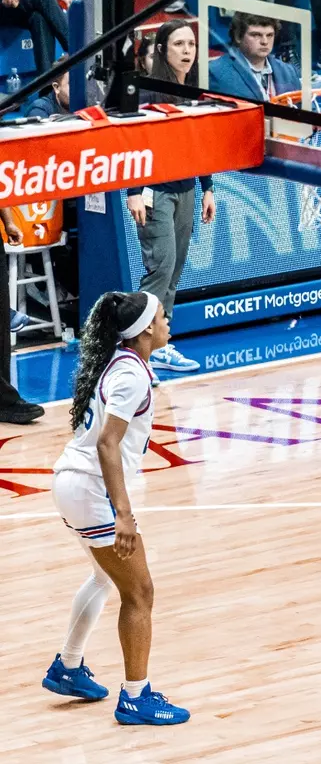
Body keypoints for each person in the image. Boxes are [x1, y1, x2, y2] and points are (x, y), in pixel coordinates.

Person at [39, 291, 191, 724]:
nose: (167, 320)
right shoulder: (132, 376)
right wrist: (123, 512)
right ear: (145, 329)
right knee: (139, 592)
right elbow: (108, 444)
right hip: (91, 490)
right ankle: (136, 697)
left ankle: (68, 668)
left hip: (72, 483)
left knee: (105, 577)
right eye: (162, 316)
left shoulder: (122, 362)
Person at [126, 22, 214, 377]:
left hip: (187, 189)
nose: (187, 50)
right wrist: (133, 191)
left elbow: (202, 144)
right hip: (154, 192)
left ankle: (161, 344)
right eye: (178, 43)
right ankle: (136, 351)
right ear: (162, 49)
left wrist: (208, 186)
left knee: (174, 271)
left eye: (191, 43)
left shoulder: (193, 91)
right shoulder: (148, 93)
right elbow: (132, 144)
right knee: (159, 270)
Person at [209, 10, 302, 101]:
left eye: (270, 35)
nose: (265, 42)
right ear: (238, 36)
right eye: (256, 35)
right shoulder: (216, 72)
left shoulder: (289, 72)